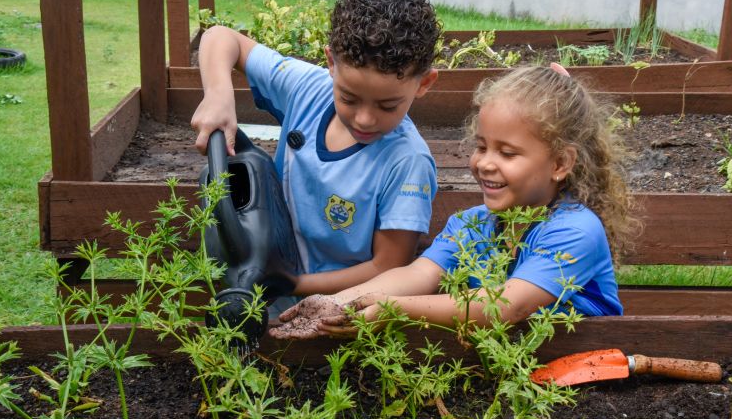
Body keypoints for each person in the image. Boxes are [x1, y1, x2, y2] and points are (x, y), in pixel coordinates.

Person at [270, 64, 638, 339]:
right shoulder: (472, 224)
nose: (484, 163)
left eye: (507, 153)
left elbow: (507, 306)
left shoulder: (576, 230)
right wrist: (336, 306)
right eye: (481, 147)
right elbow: (418, 274)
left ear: (560, 163)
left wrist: (391, 311)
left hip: (585, 380)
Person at [191, 0, 441, 316]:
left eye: (387, 105)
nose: (365, 119)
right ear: (331, 63)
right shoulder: (308, 89)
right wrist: (218, 94)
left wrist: (291, 283)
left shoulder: (407, 161)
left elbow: (389, 267)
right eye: (348, 98)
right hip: (270, 278)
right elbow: (221, 37)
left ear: (423, 83)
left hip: (340, 311)